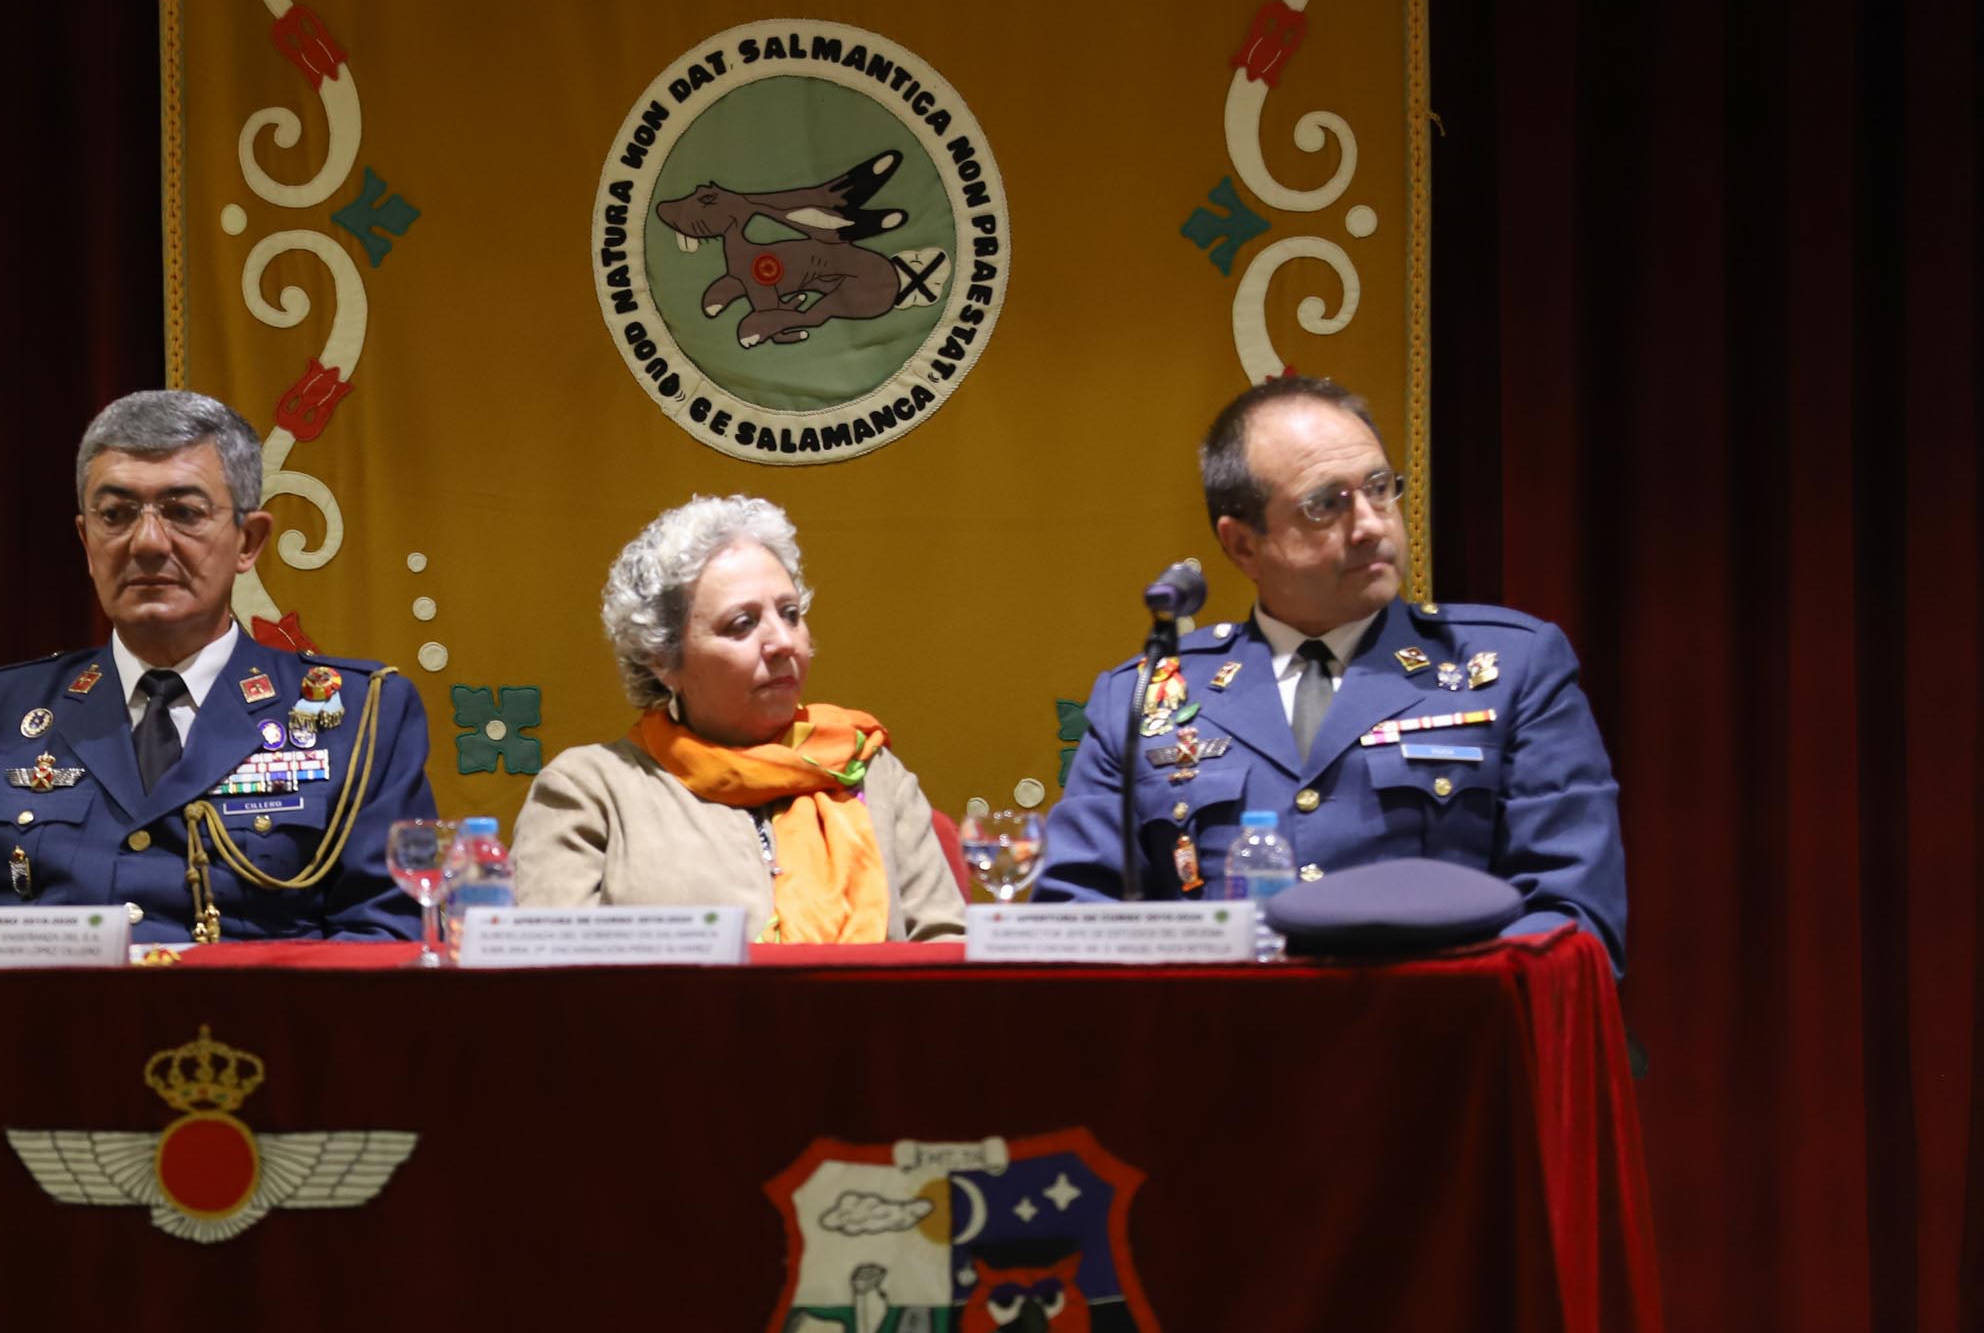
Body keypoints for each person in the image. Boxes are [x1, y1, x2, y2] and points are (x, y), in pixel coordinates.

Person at [1040, 376, 1627, 970]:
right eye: (1326, 504)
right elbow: (1071, 913)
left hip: (1443, 1040)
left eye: (1379, 488)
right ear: (1242, 545)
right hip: (1215, 1044)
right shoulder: (1143, 698)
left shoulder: (1508, 667)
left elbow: (1573, 918)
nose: (1371, 523)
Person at [0, 390, 434, 941]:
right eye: (116, 515)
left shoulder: (362, 716)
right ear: (86, 540)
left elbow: (387, 937)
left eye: (184, 512)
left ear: (249, 540)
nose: (147, 543)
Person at [511, 494, 962, 943]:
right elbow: (550, 982)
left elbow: (952, 955)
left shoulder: (869, 770)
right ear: (662, 659)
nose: (782, 641)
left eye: (790, 614)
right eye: (742, 624)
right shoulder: (591, 789)